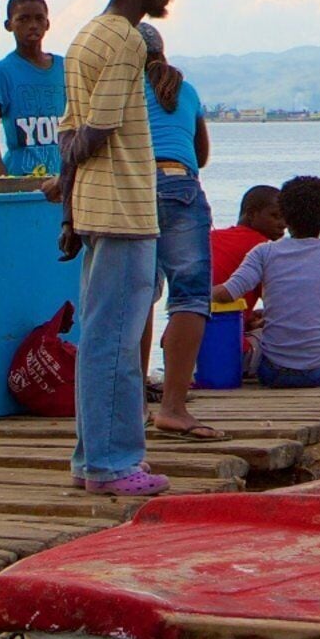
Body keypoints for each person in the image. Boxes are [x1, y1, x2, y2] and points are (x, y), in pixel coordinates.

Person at [48, 0, 183, 497]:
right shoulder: (126, 41)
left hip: (97, 210)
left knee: (103, 336)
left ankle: (94, 458)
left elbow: (67, 129)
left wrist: (70, 208)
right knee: (117, 343)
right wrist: (70, 183)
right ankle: (110, 464)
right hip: (125, 211)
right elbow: (95, 131)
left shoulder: (86, 37)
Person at [141, 24, 220, 441]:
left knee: (138, 295)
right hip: (179, 184)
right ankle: (172, 407)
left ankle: (133, 402)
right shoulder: (185, 91)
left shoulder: (122, 88)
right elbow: (202, 154)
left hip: (134, 190)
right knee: (188, 297)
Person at [225, 175, 320, 387]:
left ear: (286, 215)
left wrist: (194, 298)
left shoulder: (264, 252)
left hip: (273, 372)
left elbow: (230, 291)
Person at [0, 0, 63, 178]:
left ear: (47, 24)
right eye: (23, 19)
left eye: (39, 19)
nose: (32, 25)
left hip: (63, 179)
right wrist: (3, 179)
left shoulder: (65, 68)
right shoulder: (2, 71)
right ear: (9, 25)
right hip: (20, 179)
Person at [209, 182, 283, 289]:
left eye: (286, 217)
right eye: (275, 216)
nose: (283, 224)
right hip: (224, 303)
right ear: (252, 214)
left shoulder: (210, 236)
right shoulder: (264, 249)